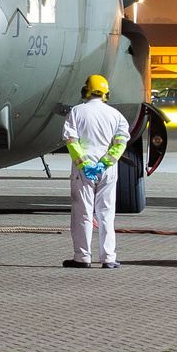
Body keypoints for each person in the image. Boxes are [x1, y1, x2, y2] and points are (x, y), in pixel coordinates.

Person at [61, 74, 131, 269]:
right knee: (106, 213)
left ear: (85, 90)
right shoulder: (115, 115)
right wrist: (105, 163)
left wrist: (84, 164)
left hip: (83, 170)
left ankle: (82, 257)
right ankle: (108, 258)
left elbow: (71, 140)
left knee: (82, 213)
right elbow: (121, 142)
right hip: (107, 170)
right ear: (106, 93)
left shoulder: (76, 112)